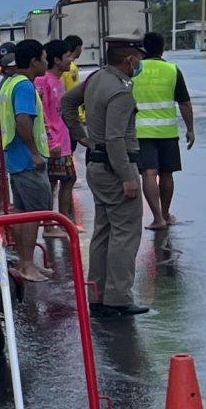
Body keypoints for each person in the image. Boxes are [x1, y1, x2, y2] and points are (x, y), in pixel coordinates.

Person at [62, 36, 147, 316]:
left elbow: (67, 102)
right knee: (125, 234)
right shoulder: (120, 91)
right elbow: (115, 138)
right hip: (115, 167)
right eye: (138, 59)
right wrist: (127, 177)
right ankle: (119, 297)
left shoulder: (96, 78)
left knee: (104, 231)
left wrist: (81, 135)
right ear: (129, 59)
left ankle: (96, 292)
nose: (140, 64)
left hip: (96, 165)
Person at [0, 39, 55, 284]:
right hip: (27, 160)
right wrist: (35, 153)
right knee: (34, 213)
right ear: (33, 62)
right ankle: (28, 265)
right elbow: (23, 121)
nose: (46, 62)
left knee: (22, 212)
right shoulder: (24, 87)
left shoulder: (8, 83)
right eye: (43, 57)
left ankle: (24, 262)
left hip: (15, 157)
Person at [134, 30, 196, 229]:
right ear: (163, 49)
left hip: (141, 132)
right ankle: (166, 213)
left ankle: (157, 217)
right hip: (167, 132)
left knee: (149, 174)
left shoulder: (134, 70)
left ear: (144, 49)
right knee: (167, 174)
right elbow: (184, 103)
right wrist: (190, 129)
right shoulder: (172, 70)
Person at [35, 37, 81, 272]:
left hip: (62, 140)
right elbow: (41, 113)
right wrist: (50, 139)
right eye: (67, 56)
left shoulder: (60, 79)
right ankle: (54, 224)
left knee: (64, 181)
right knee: (59, 182)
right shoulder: (44, 81)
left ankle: (61, 222)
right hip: (54, 142)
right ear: (56, 60)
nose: (71, 60)